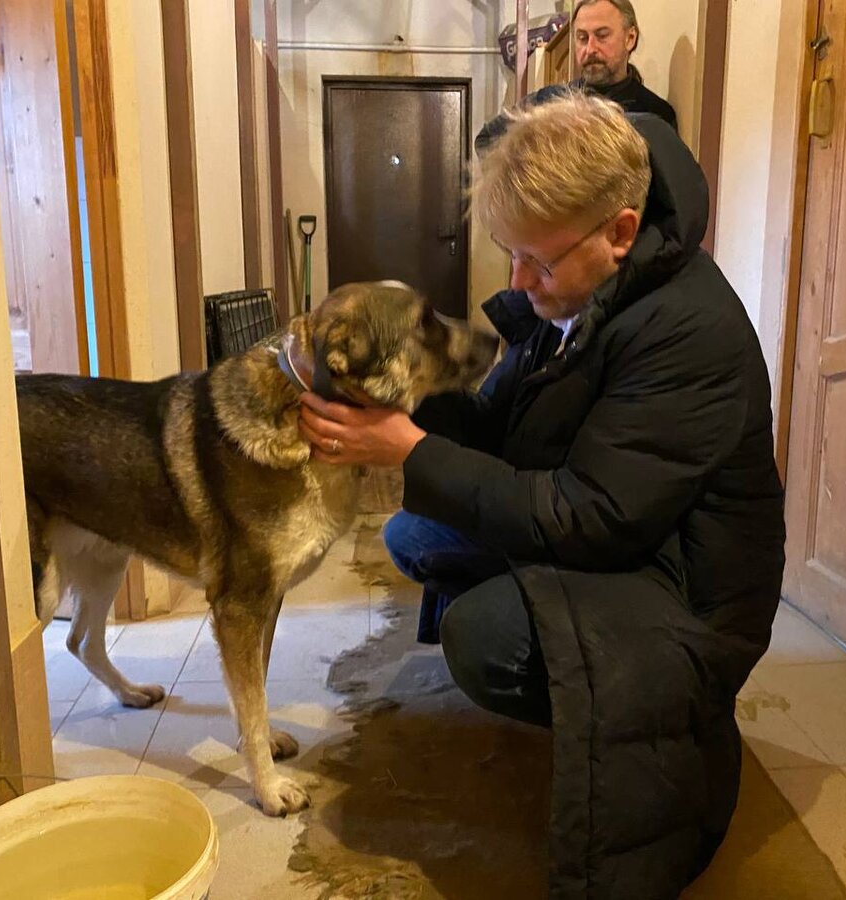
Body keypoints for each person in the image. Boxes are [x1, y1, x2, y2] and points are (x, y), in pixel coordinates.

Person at [298, 92, 785, 898]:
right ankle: (575, 671)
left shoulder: (687, 330)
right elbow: (503, 429)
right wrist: (409, 399)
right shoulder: (591, 292)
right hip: (626, 533)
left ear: (621, 230)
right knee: (419, 533)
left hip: (686, 593)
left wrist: (409, 453)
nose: (520, 284)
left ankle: (659, 714)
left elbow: (585, 517)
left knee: (484, 637)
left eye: (540, 262)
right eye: (509, 255)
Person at [481, 0, 676, 154]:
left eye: (602, 36)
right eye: (582, 38)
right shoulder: (549, 101)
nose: (590, 49)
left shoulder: (656, 115)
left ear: (630, 38)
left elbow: (670, 198)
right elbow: (487, 140)